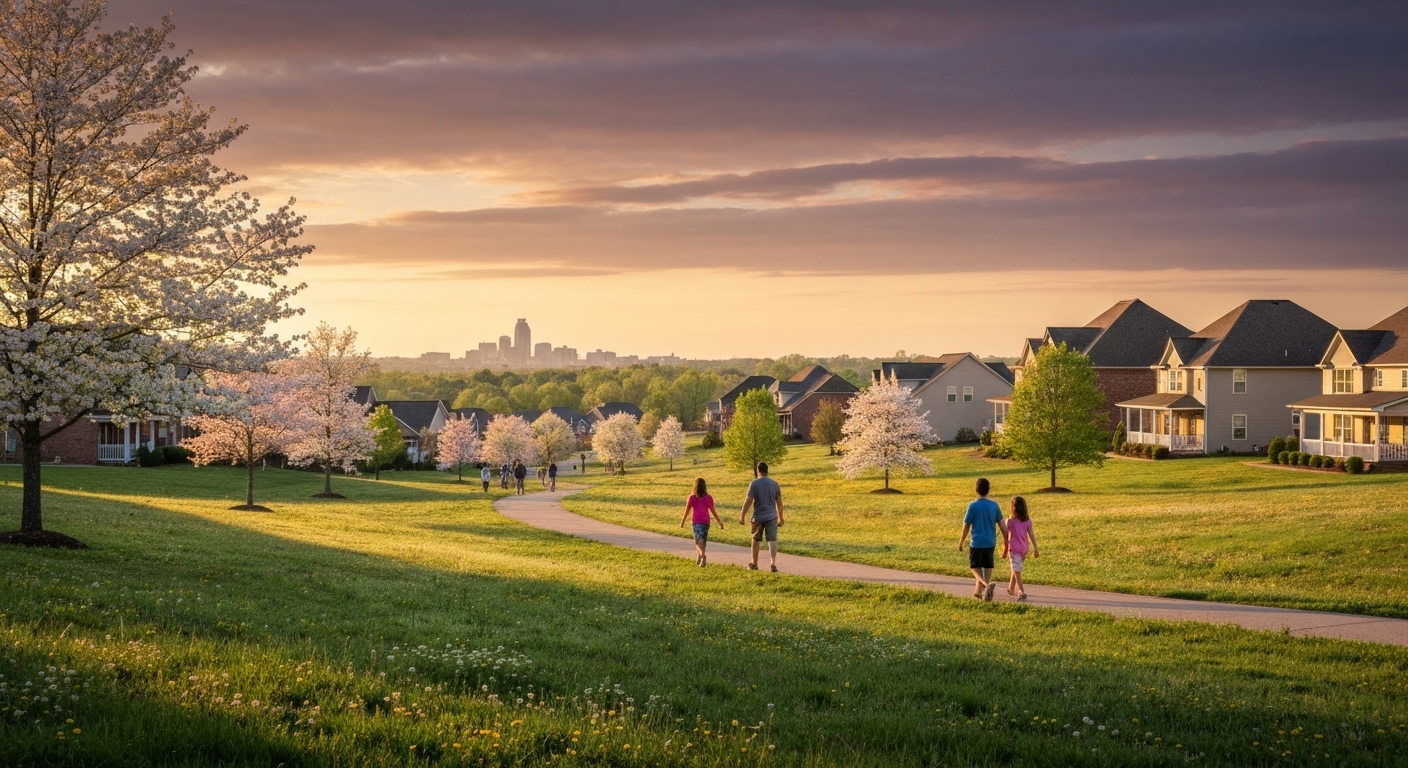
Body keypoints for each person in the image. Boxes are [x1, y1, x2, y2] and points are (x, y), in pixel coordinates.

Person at [958, 477, 1008, 601]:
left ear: (976, 490)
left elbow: (966, 525)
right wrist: (1007, 541)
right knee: (988, 567)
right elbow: (1003, 526)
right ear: (988, 490)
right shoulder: (994, 505)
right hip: (990, 542)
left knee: (974, 568)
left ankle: (986, 586)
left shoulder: (973, 505)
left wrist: (961, 541)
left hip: (977, 542)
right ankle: (980, 593)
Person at [739, 462, 784, 572]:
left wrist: (742, 515)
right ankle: (773, 563)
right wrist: (781, 517)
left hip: (758, 517)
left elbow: (748, 501)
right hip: (772, 517)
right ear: (767, 471)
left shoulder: (754, 484)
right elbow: (779, 502)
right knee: (772, 540)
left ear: (758, 470)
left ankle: (754, 563)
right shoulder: (774, 484)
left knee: (756, 540)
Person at [679, 477, 724, 566]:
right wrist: (720, 522)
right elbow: (713, 511)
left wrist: (682, 522)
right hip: (706, 522)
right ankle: (699, 558)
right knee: (702, 540)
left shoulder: (692, 497)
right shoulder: (708, 497)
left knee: (698, 541)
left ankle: (703, 556)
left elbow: (686, 511)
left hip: (696, 522)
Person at [1003, 496, 1039, 600]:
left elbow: (1006, 536)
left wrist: (1005, 549)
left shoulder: (1010, 521)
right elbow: (1031, 535)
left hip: (1015, 549)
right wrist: (1035, 548)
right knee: (1016, 569)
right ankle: (1014, 589)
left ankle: (1019, 591)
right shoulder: (1027, 521)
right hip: (1023, 549)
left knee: (1016, 570)